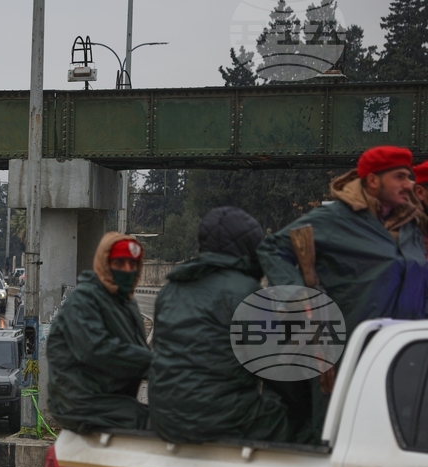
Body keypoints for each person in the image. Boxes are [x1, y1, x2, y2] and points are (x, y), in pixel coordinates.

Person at [149, 207, 295, 444]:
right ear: (249, 248)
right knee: (300, 421)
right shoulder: (248, 293)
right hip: (223, 421)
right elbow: (276, 370)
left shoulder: (171, 289)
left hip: (165, 418)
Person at [257, 146, 428, 333]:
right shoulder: (335, 218)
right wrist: (298, 296)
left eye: (408, 177)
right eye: (399, 177)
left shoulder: (410, 225)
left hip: (404, 348)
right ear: (372, 180)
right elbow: (272, 249)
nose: (408, 184)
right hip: (352, 348)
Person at [47, 233, 153, 432]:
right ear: (105, 263)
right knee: (155, 426)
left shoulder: (125, 304)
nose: (128, 270)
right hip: (81, 401)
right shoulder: (84, 299)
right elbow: (96, 349)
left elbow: (138, 350)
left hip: (111, 397)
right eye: (119, 263)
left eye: (133, 265)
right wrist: (153, 363)